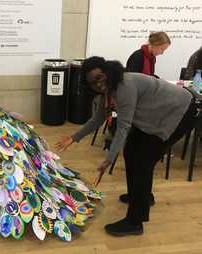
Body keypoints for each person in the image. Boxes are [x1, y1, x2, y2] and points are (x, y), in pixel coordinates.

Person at [55, 56, 199, 236]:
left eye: (100, 78)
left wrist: (108, 159)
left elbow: (123, 127)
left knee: (142, 162)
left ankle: (135, 222)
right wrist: (73, 138)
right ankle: (140, 197)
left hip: (179, 111)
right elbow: (96, 120)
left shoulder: (124, 86)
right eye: (92, 83)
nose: (98, 84)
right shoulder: (106, 94)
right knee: (132, 151)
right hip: (155, 116)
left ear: (108, 72)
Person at [122, 31, 171, 206]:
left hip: (144, 106)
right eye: (162, 49)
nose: (162, 53)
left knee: (137, 155)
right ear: (155, 45)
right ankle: (138, 195)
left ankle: (139, 195)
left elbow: (148, 80)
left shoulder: (151, 58)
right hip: (136, 108)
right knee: (135, 154)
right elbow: (132, 83)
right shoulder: (138, 57)